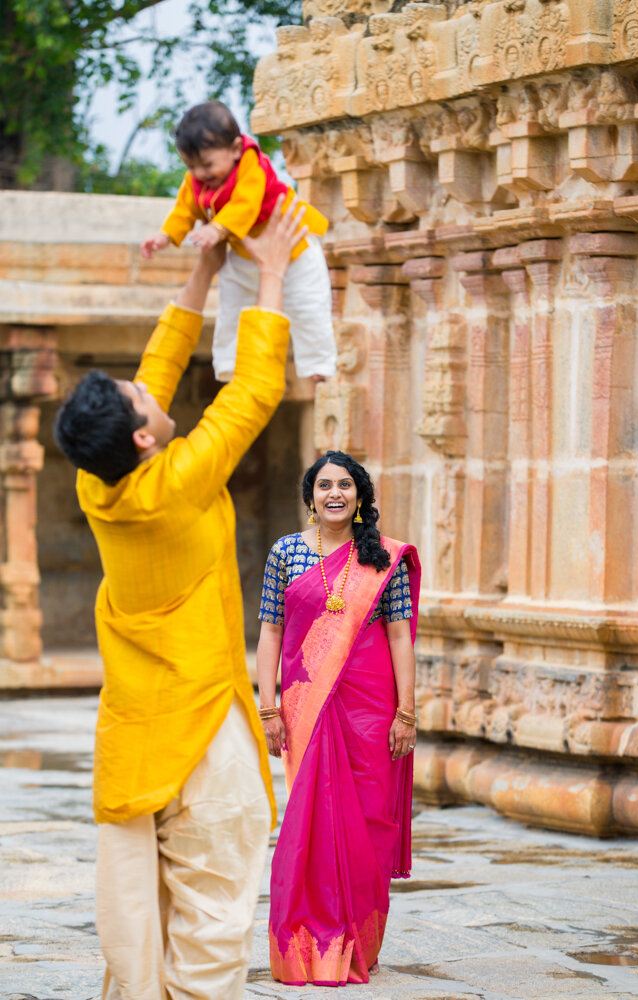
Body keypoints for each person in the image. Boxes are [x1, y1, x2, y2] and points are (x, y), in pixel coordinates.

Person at [53, 197, 307, 1000]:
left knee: (138, 922)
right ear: (142, 437)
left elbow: (157, 372)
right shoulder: (178, 482)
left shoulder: (101, 483)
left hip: (135, 738)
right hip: (202, 741)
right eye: (137, 399)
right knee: (210, 923)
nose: (146, 386)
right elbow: (252, 393)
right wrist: (269, 271)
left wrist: (201, 269)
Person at [256, 450, 421, 985]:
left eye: (345, 485)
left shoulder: (382, 558)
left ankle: (359, 943)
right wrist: (268, 706)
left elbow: (400, 637)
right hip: (306, 705)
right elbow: (270, 634)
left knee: (369, 825)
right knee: (310, 821)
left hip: (371, 711)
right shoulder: (285, 553)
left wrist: (406, 713)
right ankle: (308, 946)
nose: (334, 493)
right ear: (310, 497)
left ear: (360, 497)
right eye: (324, 484)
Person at [141, 100, 337, 382]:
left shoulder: (251, 167)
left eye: (207, 164)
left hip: (294, 252)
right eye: (191, 166)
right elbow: (184, 209)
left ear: (235, 149)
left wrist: (218, 230)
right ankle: (229, 363)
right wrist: (165, 236)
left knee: (308, 307)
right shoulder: (198, 179)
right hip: (243, 255)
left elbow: (247, 204)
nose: (200, 174)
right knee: (231, 309)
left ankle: (318, 364)